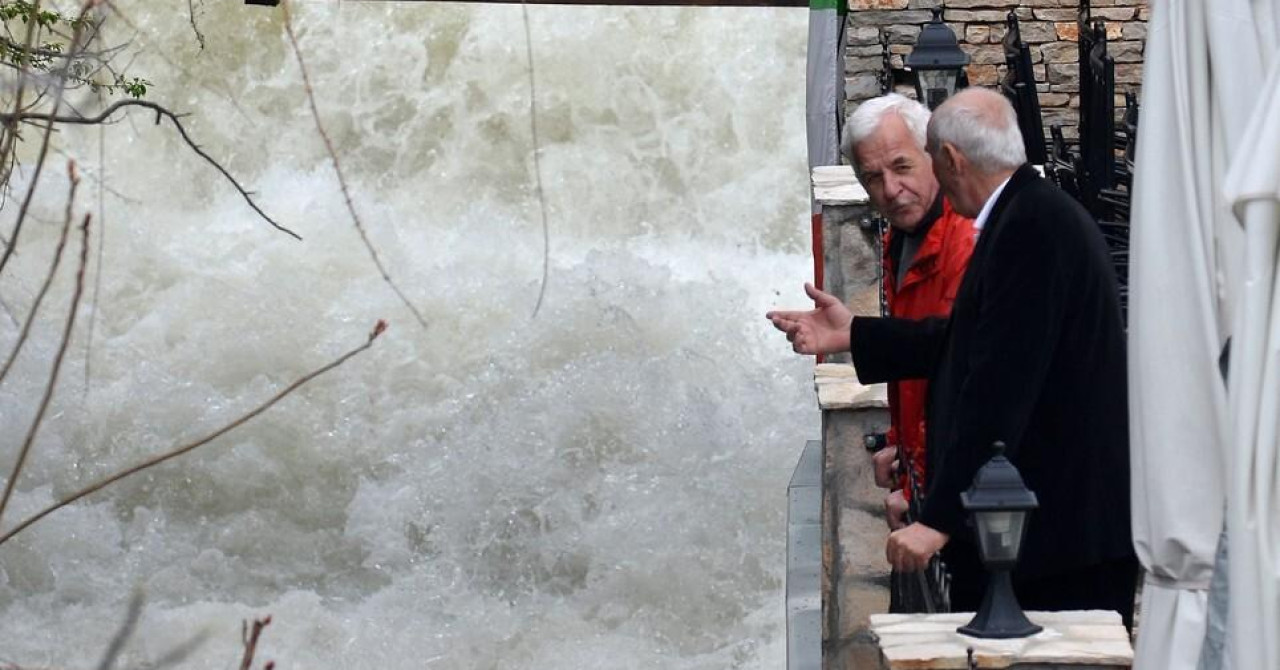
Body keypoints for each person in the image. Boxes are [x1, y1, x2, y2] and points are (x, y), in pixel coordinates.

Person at [767, 88, 1137, 624]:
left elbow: (998, 384)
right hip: (1045, 535)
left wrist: (937, 519)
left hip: (1058, 543)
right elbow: (963, 341)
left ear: (951, 161)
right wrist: (858, 335)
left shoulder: (1029, 230)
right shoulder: (1027, 215)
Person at [841, 94, 975, 533]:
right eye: (872, 177)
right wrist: (900, 450)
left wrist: (922, 486)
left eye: (901, 167)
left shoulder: (963, 240)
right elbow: (915, 370)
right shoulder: (903, 238)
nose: (891, 190)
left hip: (968, 495)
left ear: (935, 157)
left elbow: (954, 365)